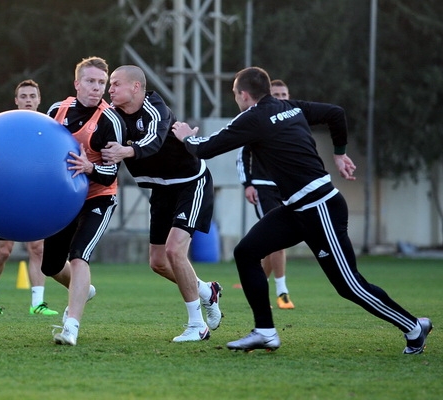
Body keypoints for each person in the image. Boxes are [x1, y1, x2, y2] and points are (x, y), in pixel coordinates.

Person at [172, 66, 432, 354]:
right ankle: (265, 331)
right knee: (246, 252)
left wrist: (185, 136)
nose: (236, 99)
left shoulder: (253, 117)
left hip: (320, 208)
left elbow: (206, 147)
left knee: (350, 286)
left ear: (244, 94)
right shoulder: (289, 107)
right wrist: (340, 152)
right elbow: (335, 113)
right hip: (297, 209)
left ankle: (413, 327)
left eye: (235, 94)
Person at [101, 65, 223, 342]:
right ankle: (207, 292)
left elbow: (154, 141)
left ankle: (197, 326)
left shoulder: (156, 108)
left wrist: (127, 151)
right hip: (160, 190)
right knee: (157, 262)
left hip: (191, 183)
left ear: (135, 87)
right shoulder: (112, 115)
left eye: (115, 84)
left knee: (174, 251)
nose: (110, 89)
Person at [44, 56, 126, 346]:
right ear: (77, 83)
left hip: (98, 197)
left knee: (79, 255)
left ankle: (72, 327)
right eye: (90, 81)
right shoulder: (56, 110)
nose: (96, 88)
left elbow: (112, 172)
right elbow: (42, 149)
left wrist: (89, 167)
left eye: (101, 83)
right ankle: (83, 290)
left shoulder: (110, 120)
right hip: (64, 200)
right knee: (51, 266)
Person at [0, 80, 58, 316]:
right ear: (16, 101)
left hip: (35, 196)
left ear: (38, 100)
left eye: (32, 96)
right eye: (23, 96)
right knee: (4, 251)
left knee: (37, 249)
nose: (27, 99)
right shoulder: (6, 127)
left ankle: (37, 303)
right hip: (7, 196)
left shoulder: (47, 128)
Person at [236, 79, 294, 309]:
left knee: (274, 242)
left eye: (284, 94)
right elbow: (242, 155)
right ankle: (282, 293)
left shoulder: (292, 118)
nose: (280, 98)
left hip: (286, 187)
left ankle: (258, 283)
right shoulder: (257, 118)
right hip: (262, 185)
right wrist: (247, 184)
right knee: (277, 239)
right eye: (276, 94)